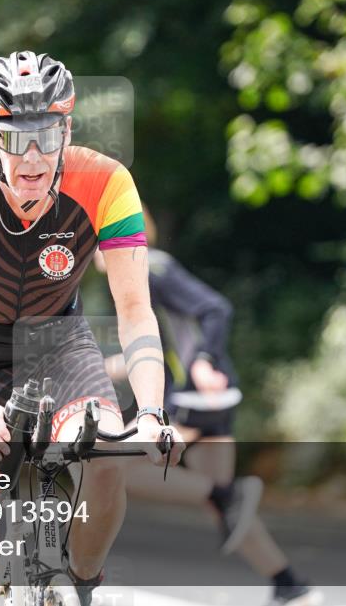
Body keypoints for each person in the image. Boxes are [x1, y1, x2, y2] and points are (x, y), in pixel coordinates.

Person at [0, 51, 184, 606]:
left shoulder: (107, 182)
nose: (32, 156)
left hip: (57, 342)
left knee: (109, 453)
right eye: (14, 139)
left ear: (68, 129)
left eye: (48, 135)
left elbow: (135, 311)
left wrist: (152, 413)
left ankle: (83, 584)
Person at [95, 207, 322, 606]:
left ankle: (226, 495)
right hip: (208, 399)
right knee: (223, 506)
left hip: (194, 398)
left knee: (117, 467)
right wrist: (107, 367)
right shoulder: (137, 274)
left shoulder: (149, 265)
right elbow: (159, 348)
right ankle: (289, 583)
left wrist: (203, 361)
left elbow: (216, 308)